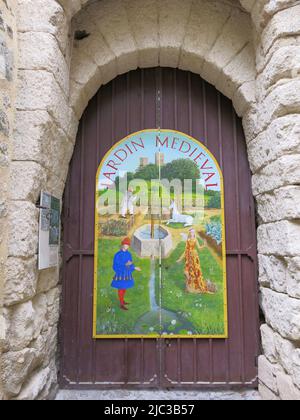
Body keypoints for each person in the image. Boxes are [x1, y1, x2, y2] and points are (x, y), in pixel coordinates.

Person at [177, 229, 213, 294]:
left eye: (193, 232)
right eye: (190, 232)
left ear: (194, 233)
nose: (192, 234)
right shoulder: (188, 240)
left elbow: (199, 248)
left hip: (194, 257)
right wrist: (180, 259)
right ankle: (188, 286)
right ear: (189, 233)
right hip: (188, 257)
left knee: (195, 271)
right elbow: (185, 250)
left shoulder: (195, 240)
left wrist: (204, 245)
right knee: (187, 272)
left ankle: (193, 286)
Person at [111, 237, 141, 310]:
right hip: (120, 274)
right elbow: (115, 265)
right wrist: (125, 265)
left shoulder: (128, 254)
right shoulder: (118, 254)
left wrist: (134, 267)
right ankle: (121, 304)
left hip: (126, 274)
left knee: (124, 288)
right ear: (122, 245)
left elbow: (130, 263)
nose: (126, 246)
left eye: (127, 245)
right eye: (125, 244)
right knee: (121, 288)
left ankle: (122, 300)